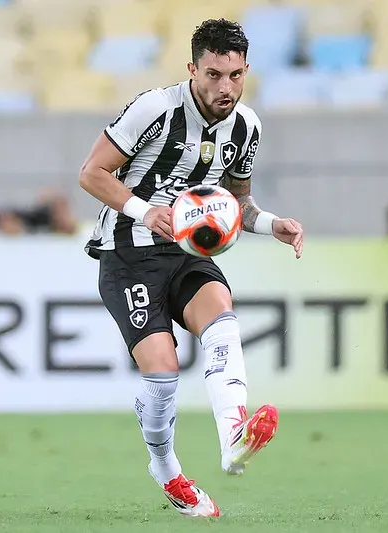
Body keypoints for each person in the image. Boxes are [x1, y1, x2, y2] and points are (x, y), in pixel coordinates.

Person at [78, 19, 304, 518]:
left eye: (236, 75)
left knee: (221, 314)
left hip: (186, 251)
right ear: (192, 69)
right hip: (127, 251)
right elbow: (91, 173)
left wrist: (271, 225)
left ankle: (233, 438)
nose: (226, 88)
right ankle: (167, 471)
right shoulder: (154, 108)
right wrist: (144, 210)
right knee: (162, 374)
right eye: (214, 75)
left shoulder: (247, 126)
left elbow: (237, 203)